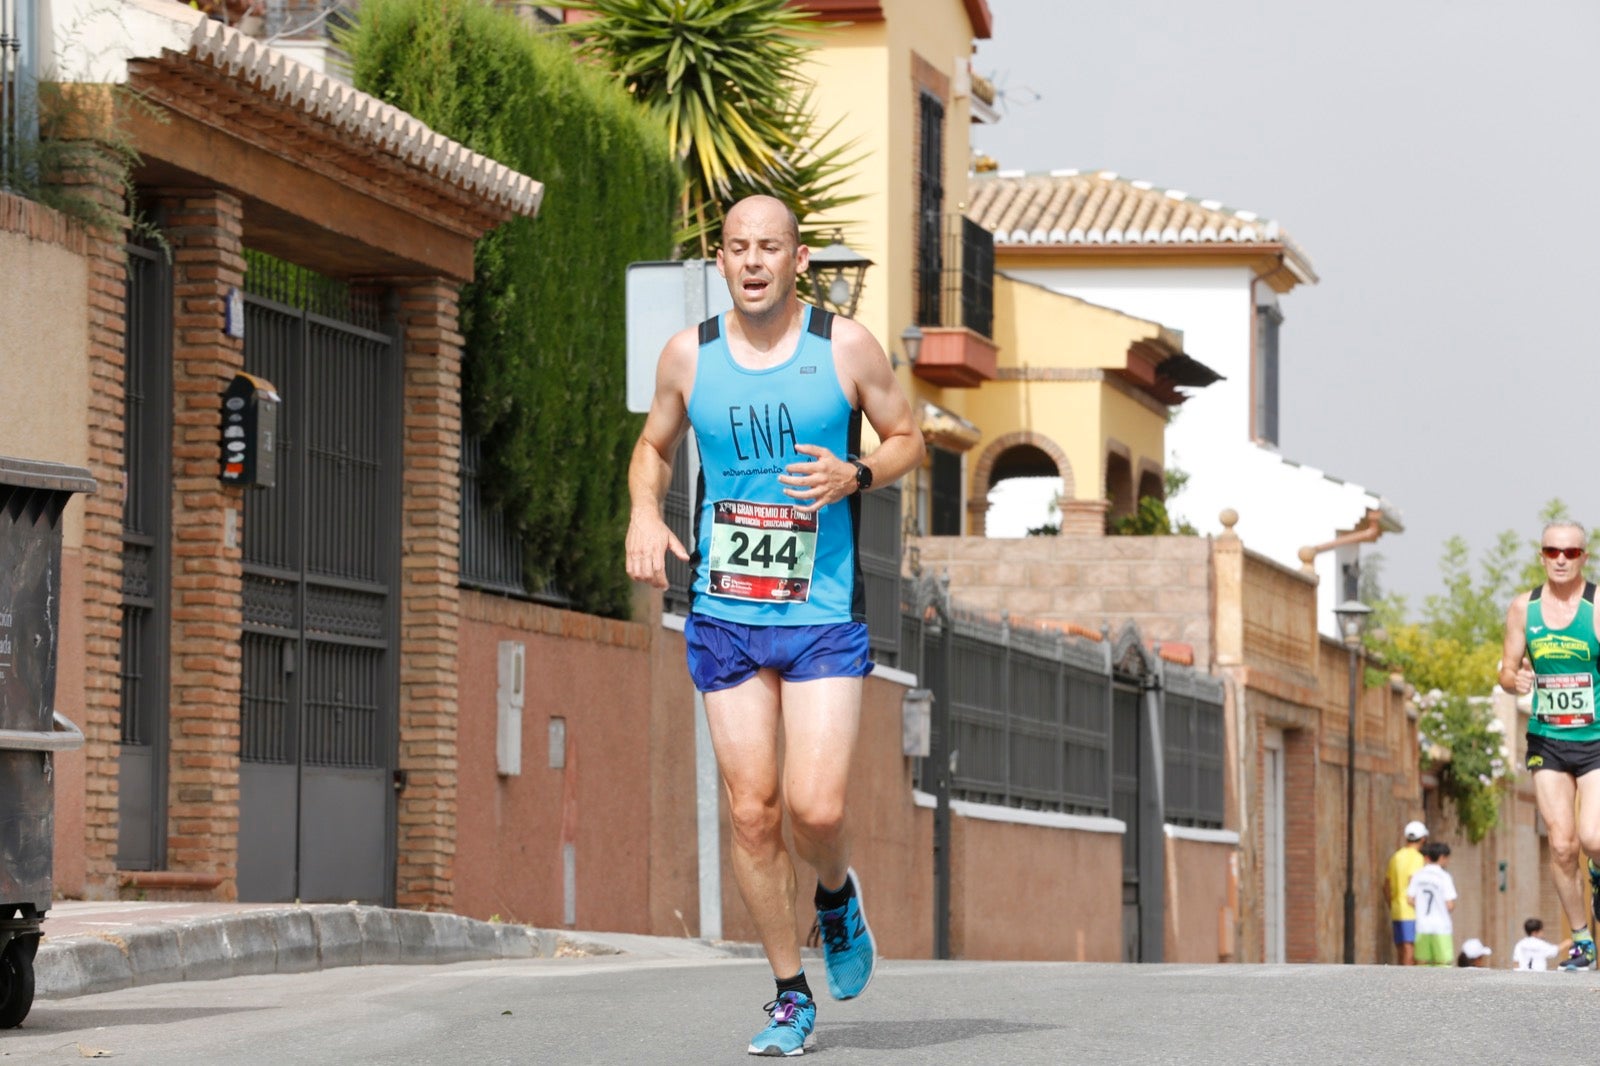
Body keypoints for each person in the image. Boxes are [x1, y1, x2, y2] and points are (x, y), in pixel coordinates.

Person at [625, 195, 925, 1057]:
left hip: (821, 614)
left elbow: (908, 435)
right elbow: (652, 446)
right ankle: (791, 995)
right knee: (753, 814)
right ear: (720, 261)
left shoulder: (845, 347)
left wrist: (857, 470)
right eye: (737, 248)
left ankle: (835, 893)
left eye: (770, 248)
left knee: (815, 807)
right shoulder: (691, 355)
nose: (753, 262)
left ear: (798, 260)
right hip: (723, 611)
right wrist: (645, 514)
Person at [1501, 520, 1600, 971]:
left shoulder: (1597, 606)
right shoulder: (1524, 608)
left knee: (1592, 838)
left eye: (1571, 552)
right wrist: (1514, 678)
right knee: (1561, 845)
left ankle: (1597, 873)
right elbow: (1506, 672)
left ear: (1583, 556)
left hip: (1596, 738)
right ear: (1541, 555)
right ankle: (1581, 939)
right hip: (1548, 737)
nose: (1561, 559)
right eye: (1553, 551)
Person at [1384, 820, 1430, 965]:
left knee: (1401, 949)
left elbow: (1386, 885)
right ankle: (1407, 984)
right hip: (1411, 910)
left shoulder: (1396, 857)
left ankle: (1401, 981)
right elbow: (1413, 882)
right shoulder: (1418, 858)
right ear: (1423, 839)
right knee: (1410, 949)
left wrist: (1392, 904)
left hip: (1397, 909)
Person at [1406, 840, 1457, 967]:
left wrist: (1421, 907)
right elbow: (1450, 904)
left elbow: (1410, 899)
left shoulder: (1418, 875)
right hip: (1441, 927)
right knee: (1443, 964)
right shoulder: (1444, 877)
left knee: (1423, 964)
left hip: (1422, 926)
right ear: (1441, 857)